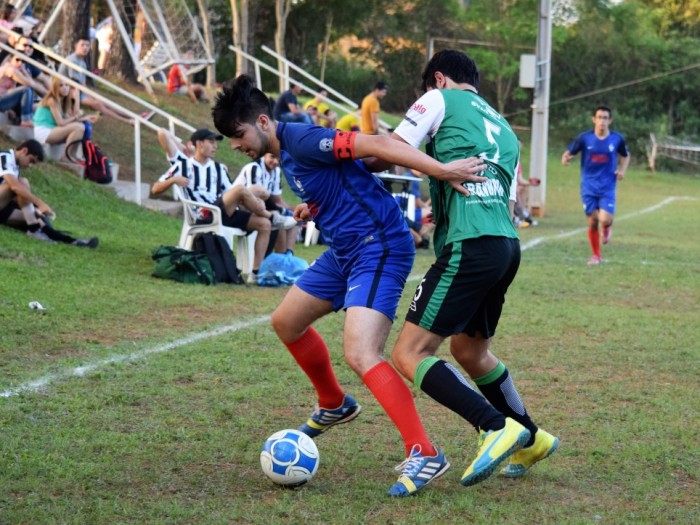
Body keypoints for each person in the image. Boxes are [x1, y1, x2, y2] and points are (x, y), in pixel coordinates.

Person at [212, 74, 489, 497]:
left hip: (378, 246)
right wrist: (315, 206)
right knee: (286, 322)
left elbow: (376, 145)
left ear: (264, 122)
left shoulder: (302, 138)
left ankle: (425, 451)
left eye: (238, 136)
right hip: (344, 250)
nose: (236, 146)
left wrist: (441, 169)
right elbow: (342, 176)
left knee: (361, 352)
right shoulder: (285, 151)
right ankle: (334, 403)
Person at [388, 49, 559, 489]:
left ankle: (494, 425)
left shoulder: (438, 100)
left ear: (439, 79)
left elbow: (389, 150)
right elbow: (504, 198)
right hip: (504, 245)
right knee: (470, 352)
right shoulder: (505, 128)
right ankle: (531, 437)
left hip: (470, 245)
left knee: (408, 354)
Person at [151, 128, 296, 281]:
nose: (215, 146)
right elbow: (155, 189)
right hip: (203, 213)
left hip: (224, 211)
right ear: (199, 144)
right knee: (242, 190)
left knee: (264, 224)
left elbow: (231, 193)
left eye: (215, 143)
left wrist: (252, 200)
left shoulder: (219, 168)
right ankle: (273, 217)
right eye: (211, 142)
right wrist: (173, 180)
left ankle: (255, 273)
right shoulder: (183, 166)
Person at [562, 105, 630, 265]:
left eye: (605, 118)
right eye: (599, 117)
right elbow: (568, 153)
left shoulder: (616, 138)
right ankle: (596, 255)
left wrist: (622, 170)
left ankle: (606, 228)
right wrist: (565, 159)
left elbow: (625, 156)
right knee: (592, 221)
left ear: (610, 120)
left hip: (607, 185)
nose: (602, 121)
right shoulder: (584, 138)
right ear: (594, 119)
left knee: (604, 219)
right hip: (588, 185)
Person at [0, 139, 99, 247]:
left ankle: (69, 240)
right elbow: (14, 187)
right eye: (31, 160)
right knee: (22, 183)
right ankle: (36, 230)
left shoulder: (15, 165)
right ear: (24, 150)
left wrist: (35, 209)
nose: (30, 165)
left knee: (36, 217)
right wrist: (40, 203)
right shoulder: (4, 157)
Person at [234, 153, 299, 255]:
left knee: (295, 220)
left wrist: (292, 211)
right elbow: (252, 198)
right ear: (264, 155)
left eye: (279, 158)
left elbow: (277, 200)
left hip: (263, 207)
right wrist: (283, 212)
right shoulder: (254, 168)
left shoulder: (277, 171)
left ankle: (287, 256)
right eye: (272, 157)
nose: (276, 162)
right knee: (278, 219)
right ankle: (279, 257)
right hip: (241, 207)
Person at [58, 38, 133, 124]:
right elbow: (74, 83)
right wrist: (90, 95)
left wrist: (91, 94)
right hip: (68, 90)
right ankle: (127, 121)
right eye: (82, 45)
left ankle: (133, 116)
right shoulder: (72, 60)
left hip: (78, 90)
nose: (85, 48)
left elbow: (83, 83)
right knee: (98, 103)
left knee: (103, 101)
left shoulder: (83, 63)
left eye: (87, 45)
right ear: (76, 46)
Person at [33, 77, 99, 160]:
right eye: (61, 85)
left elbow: (72, 117)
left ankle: (72, 154)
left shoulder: (63, 101)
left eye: (67, 85)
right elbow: (61, 123)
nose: (65, 88)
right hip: (43, 131)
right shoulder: (52, 100)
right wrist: (76, 117)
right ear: (55, 88)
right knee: (79, 127)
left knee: (82, 125)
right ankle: (65, 156)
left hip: (53, 130)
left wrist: (85, 117)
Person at [0, 52, 34, 127]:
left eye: (23, 61)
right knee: (26, 90)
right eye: (17, 60)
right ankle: (26, 120)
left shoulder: (13, 70)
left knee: (28, 94)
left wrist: (9, 110)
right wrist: (25, 71)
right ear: (10, 60)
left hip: (2, 99)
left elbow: (8, 92)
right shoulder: (10, 70)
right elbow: (31, 84)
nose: (20, 63)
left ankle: (26, 119)